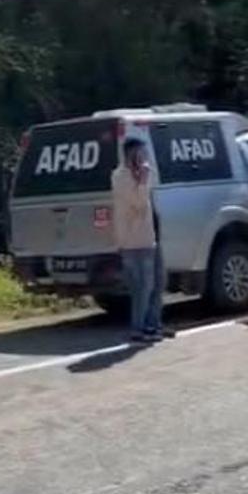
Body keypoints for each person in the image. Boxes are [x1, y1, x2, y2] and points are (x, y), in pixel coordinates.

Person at [111, 138, 163, 344]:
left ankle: (153, 325)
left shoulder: (141, 174)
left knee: (155, 285)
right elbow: (139, 202)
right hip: (132, 242)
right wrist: (142, 180)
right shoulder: (120, 176)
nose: (144, 157)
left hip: (148, 238)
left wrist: (143, 176)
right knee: (142, 288)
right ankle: (138, 328)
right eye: (140, 153)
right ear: (131, 155)